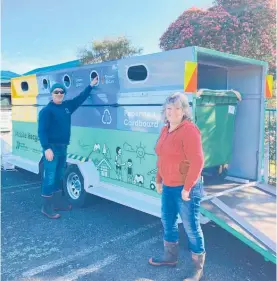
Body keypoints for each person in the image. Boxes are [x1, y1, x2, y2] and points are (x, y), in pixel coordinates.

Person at [149, 92, 206, 281]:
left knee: (191, 227)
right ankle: (170, 258)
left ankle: (197, 270)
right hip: (168, 186)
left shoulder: (189, 130)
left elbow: (197, 161)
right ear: (164, 111)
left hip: (186, 188)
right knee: (168, 221)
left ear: (184, 111)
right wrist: (159, 179)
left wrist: (187, 188)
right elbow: (162, 157)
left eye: (177, 108)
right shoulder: (165, 129)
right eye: (169, 108)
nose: (172, 112)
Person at [38, 76, 98, 219]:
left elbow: (79, 99)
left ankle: (57, 203)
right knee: (50, 177)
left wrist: (90, 86)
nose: (59, 94)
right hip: (51, 148)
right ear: (51, 94)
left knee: (59, 175)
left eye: (61, 92)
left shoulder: (66, 106)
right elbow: (42, 131)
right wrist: (46, 148)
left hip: (63, 147)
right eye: (56, 92)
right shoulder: (46, 111)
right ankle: (46, 207)